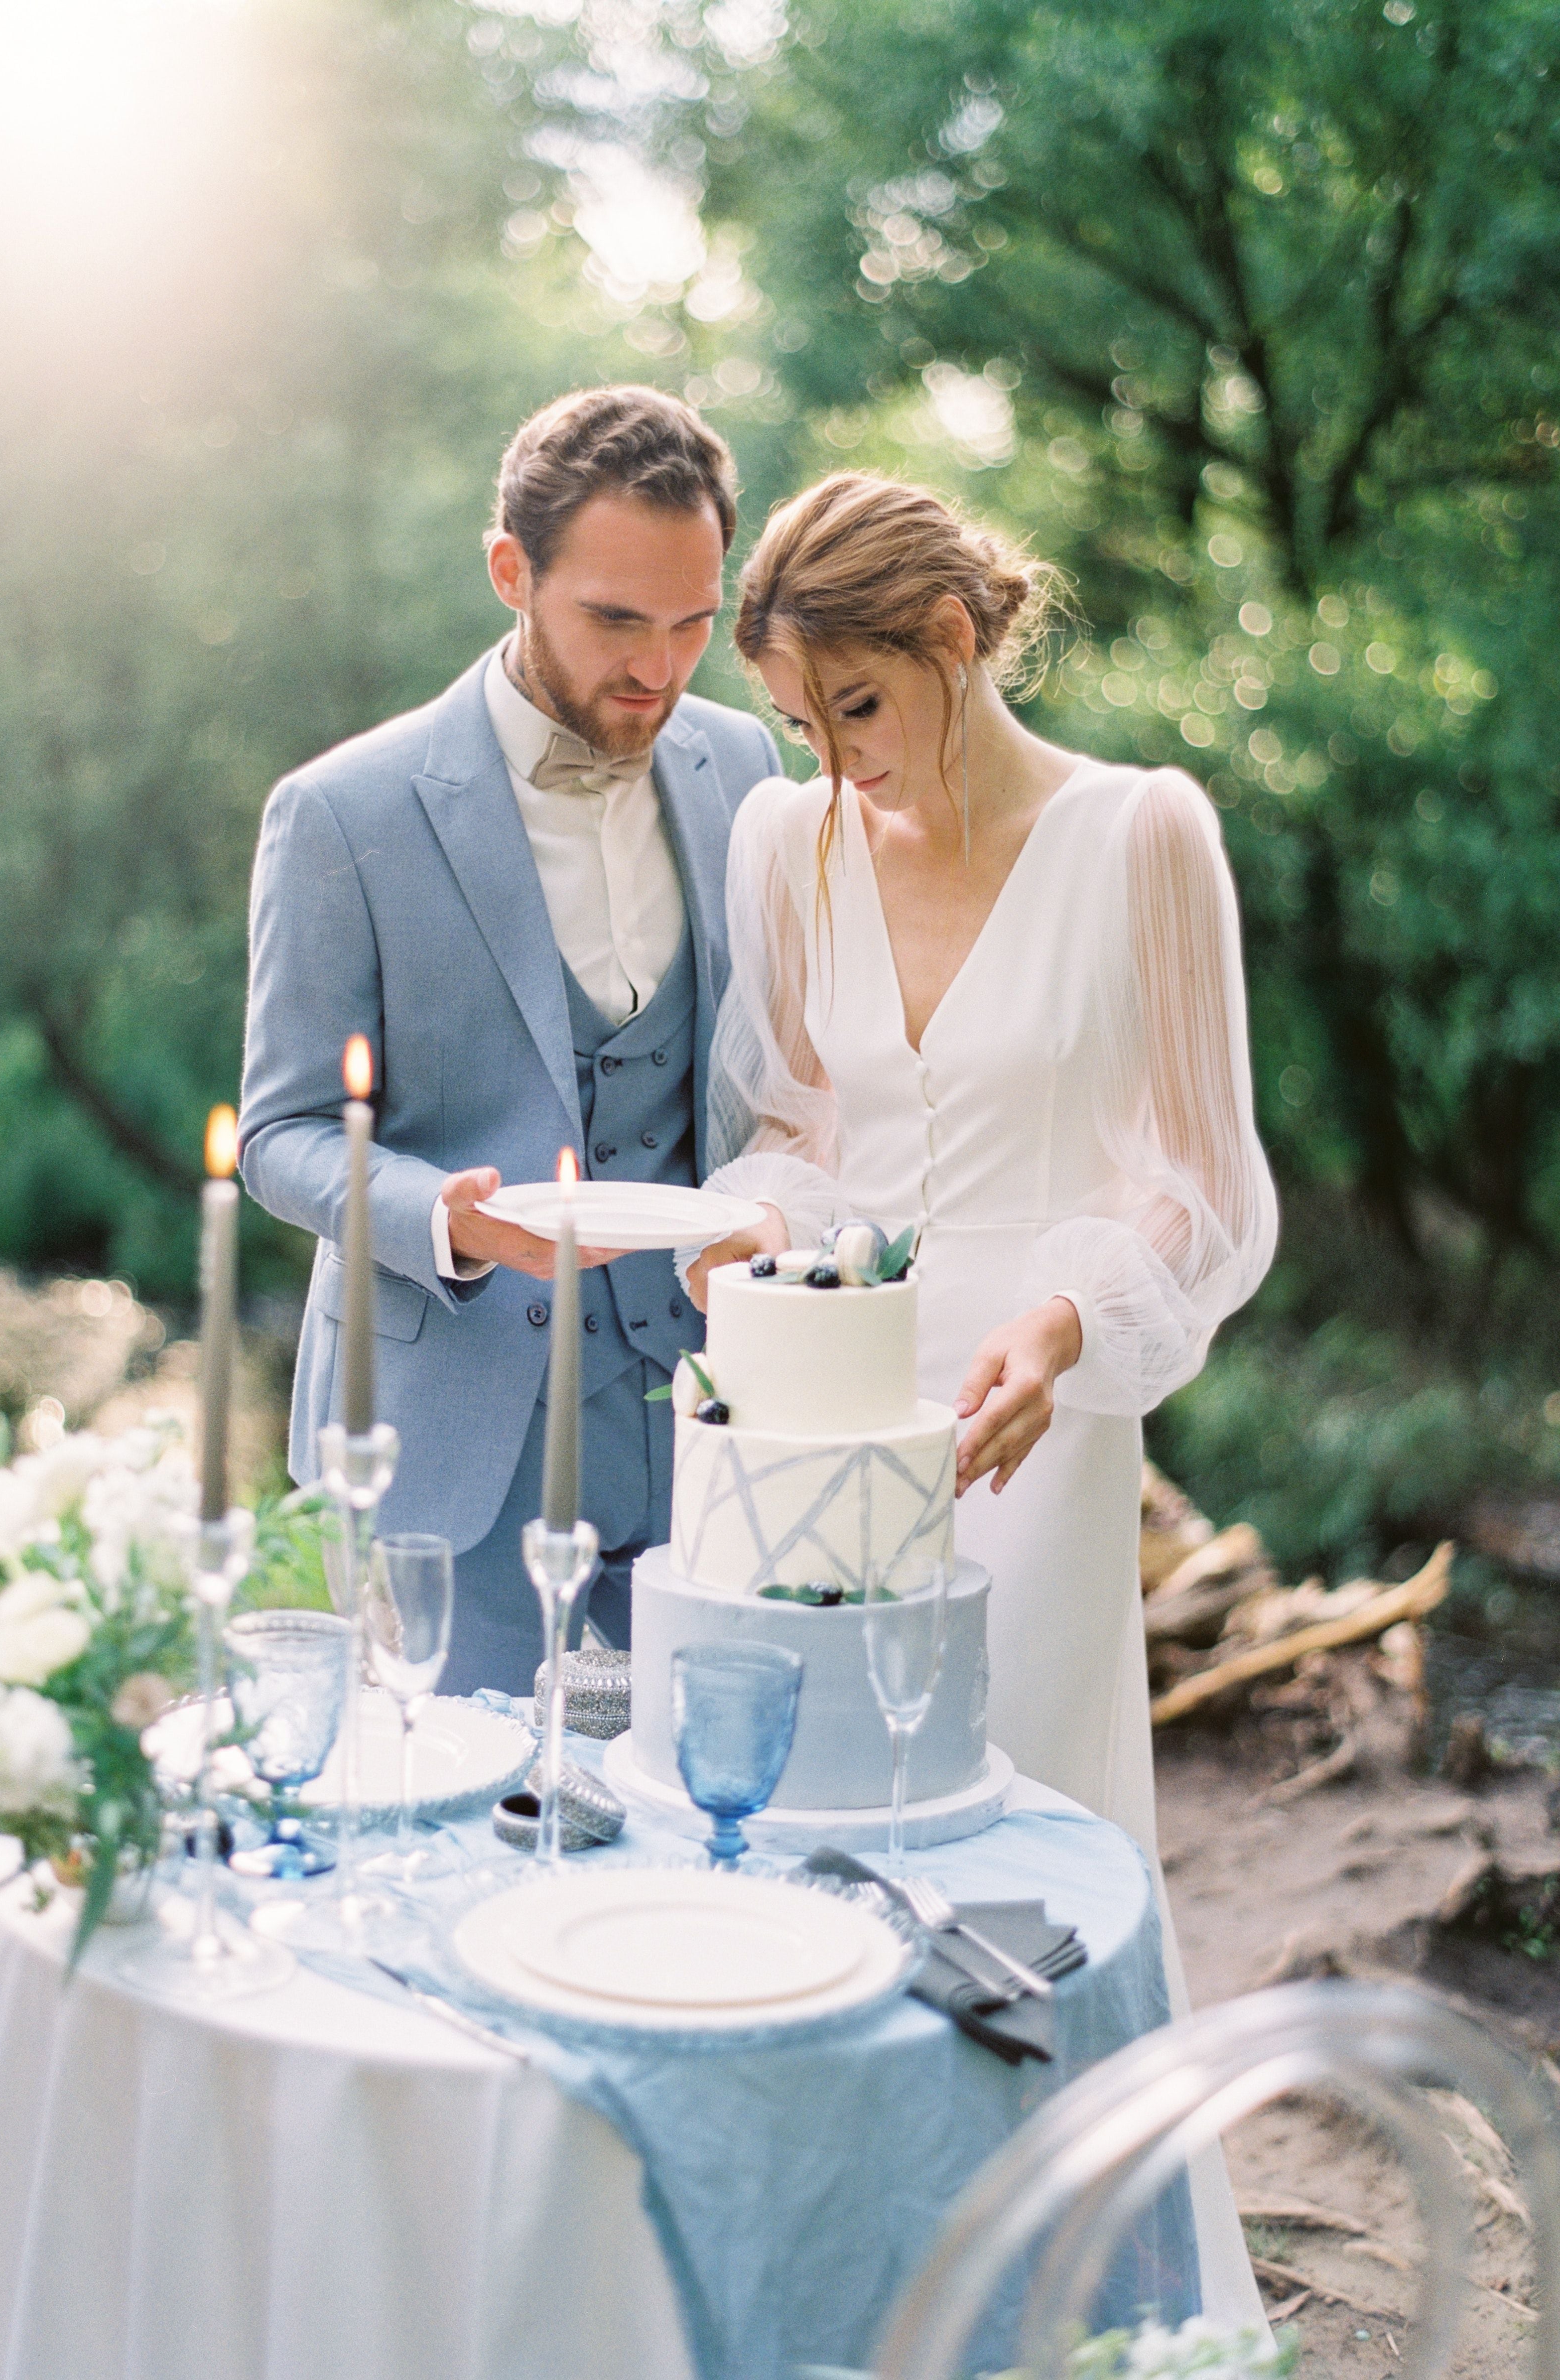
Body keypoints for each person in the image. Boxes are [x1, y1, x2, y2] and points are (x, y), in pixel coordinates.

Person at [686, 470, 1277, 2320]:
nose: (831, 756)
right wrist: (743, 1233)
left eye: (856, 705)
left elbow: (1197, 1175)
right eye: (797, 719)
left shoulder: (1141, 836)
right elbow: (797, 1123)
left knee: (1022, 1851)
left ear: (953, 641)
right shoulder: (786, 847)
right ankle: (838, 2294)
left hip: (1038, 1407)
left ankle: (1072, 2303)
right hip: (825, 1401)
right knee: (801, 1840)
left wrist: (1069, 1317)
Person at [239, 387, 780, 1695]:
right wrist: (449, 1218)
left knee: (697, 1818)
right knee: (476, 1837)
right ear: (510, 574)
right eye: (615, 620)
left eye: (694, 623)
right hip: (461, 1443)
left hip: (706, 1419)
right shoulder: (342, 813)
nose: (658, 668)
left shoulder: (748, 767)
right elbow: (280, 1136)